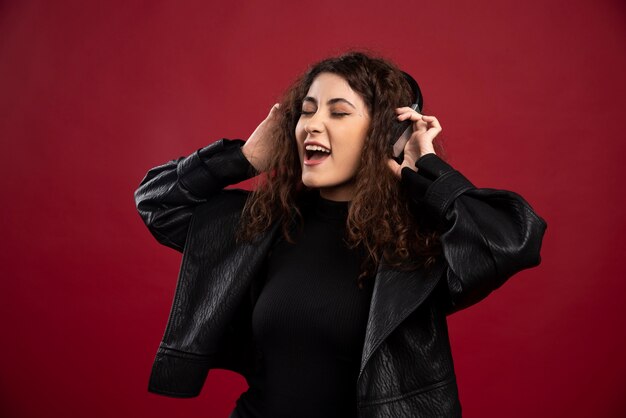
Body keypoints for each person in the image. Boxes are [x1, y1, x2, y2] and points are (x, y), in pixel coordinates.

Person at [134, 51, 547, 418]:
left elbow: (513, 239)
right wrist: (242, 159)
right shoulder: (265, 225)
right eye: (307, 111)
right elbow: (156, 201)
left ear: (385, 135)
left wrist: (428, 171)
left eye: (338, 112)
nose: (312, 125)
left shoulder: (421, 242)